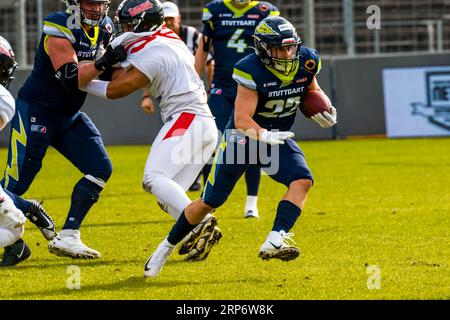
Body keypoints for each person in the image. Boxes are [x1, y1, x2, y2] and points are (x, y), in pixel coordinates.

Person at [144, 16, 337, 277]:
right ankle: (163, 249)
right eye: (279, 48)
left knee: (302, 180)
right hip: (242, 139)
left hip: (277, 137)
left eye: (290, 47)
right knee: (210, 202)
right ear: (263, 50)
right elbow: (241, 119)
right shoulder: (249, 68)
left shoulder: (307, 60)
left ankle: (275, 238)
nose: (287, 54)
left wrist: (325, 108)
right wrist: (263, 135)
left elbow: (312, 90)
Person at [82, 0, 222, 263]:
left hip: (188, 119)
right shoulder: (165, 36)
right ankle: (198, 233)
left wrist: (82, 82)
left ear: (144, 23)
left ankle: (204, 224)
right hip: (202, 123)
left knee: (153, 178)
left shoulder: (155, 53)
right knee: (167, 196)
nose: (126, 27)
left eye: (130, 22)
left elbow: (115, 90)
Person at [1, 0, 128, 259]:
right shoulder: (59, 25)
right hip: (37, 112)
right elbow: (71, 79)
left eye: (101, 3)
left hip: (68, 116)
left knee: (100, 168)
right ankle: (19, 227)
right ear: (74, 4)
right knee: (13, 186)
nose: (98, 9)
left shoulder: (104, 26)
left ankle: (69, 236)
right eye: (91, 3)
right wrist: (104, 62)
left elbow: (105, 72)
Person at [195, 0, 280, 219]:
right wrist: (195, 82)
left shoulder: (265, 11)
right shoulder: (215, 10)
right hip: (223, 85)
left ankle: (251, 203)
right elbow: (203, 48)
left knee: (250, 142)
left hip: (253, 86)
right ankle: (206, 200)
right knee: (210, 140)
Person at [140, 1, 215, 192]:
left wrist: (209, 89)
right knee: (176, 142)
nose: (168, 23)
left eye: (171, 19)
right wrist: (145, 96)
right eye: (164, 19)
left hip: (192, 101)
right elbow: (148, 71)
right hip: (172, 103)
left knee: (197, 142)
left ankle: (199, 182)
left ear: (179, 18)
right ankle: (181, 181)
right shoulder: (156, 39)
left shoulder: (192, 35)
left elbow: (209, 63)